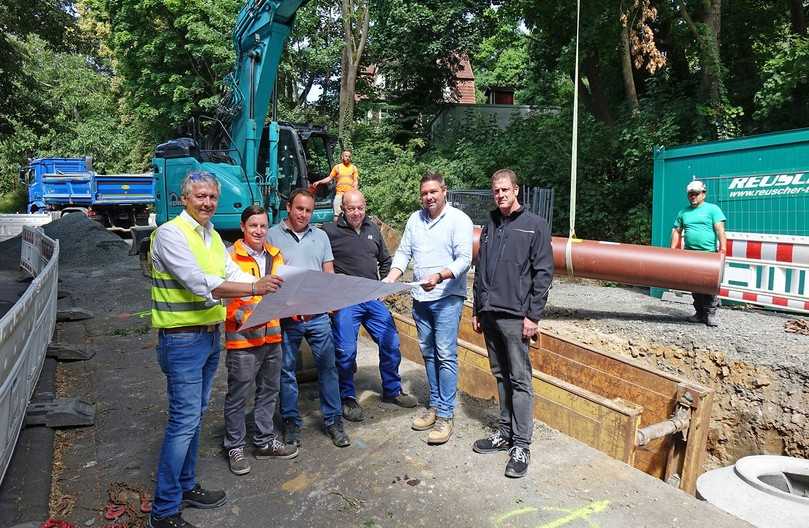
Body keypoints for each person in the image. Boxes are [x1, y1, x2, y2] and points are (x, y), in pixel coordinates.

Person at [148, 172, 282, 528]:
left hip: (208, 338)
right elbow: (198, 283)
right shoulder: (170, 235)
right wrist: (256, 285)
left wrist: (278, 284)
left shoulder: (211, 237)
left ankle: (186, 486)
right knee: (183, 422)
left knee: (194, 417)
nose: (207, 203)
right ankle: (163, 511)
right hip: (182, 340)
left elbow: (230, 272)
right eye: (200, 196)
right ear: (184, 198)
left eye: (212, 197)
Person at [471, 169, 553, 479]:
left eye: (505, 190)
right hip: (490, 314)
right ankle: (504, 433)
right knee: (500, 375)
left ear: (516, 190)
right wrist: (477, 308)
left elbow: (543, 273)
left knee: (520, 380)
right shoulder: (490, 225)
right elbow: (480, 270)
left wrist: (533, 315)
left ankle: (521, 445)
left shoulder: (535, 226)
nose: (501, 195)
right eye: (496, 191)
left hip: (516, 316)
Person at [383, 172, 473, 445]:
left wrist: (440, 276)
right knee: (429, 353)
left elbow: (464, 260)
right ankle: (434, 406)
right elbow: (403, 253)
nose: (429, 197)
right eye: (424, 193)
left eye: (433, 192)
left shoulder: (459, 220)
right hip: (420, 298)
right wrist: (391, 278)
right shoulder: (415, 220)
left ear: (444, 191)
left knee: (445, 354)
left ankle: (446, 415)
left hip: (447, 297)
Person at [323, 190, 418, 422]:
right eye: (351, 208)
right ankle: (347, 396)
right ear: (342, 209)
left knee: (391, 342)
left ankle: (392, 389)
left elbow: (386, 260)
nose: (356, 212)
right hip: (346, 301)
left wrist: (383, 288)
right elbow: (321, 263)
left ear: (365, 207)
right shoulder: (329, 232)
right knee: (345, 352)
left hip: (371, 298)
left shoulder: (373, 229)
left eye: (360, 208)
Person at [267, 189, 350, 448]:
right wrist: (282, 306)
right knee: (286, 371)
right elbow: (269, 276)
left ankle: (334, 421)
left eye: (308, 210)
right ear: (289, 207)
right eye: (299, 208)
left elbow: (328, 273)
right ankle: (291, 422)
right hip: (287, 318)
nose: (303, 214)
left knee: (328, 368)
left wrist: (331, 302)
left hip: (317, 317)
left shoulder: (321, 236)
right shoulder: (271, 235)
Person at [223, 205, 298, 476]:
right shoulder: (229, 256)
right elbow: (223, 294)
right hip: (243, 338)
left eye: (263, 226)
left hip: (273, 335)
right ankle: (234, 445)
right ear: (243, 227)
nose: (258, 231)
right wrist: (243, 313)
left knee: (269, 391)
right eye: (253, 225)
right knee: (238, 395)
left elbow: (284, 292)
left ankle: (264, 441)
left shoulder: (277, 256)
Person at [670, 180, 727, 327]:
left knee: (708, 286)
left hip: (708, 254)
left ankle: (710, 315)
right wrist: (673, 249)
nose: (693, 196)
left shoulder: (713, 209)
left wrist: (723, 249)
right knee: (695, 286)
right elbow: (677, 230)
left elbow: (720, 230)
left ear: (704, 194)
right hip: (690, 255)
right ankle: (699, 313)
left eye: (696, 193)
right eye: (690, 194)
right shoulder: (683, 212)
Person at [313, 150, 359, 221]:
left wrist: (355, 191)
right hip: (339, 194)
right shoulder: (337, 167)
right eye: (346, 156)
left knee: (351, 214)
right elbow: (329, 178)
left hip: (349, 195)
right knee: (336, 214)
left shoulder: (353, 168)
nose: (348, 158)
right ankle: (336, 229)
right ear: (342, 157)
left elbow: (355, 181)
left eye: (349, 156)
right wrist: (319, 182)